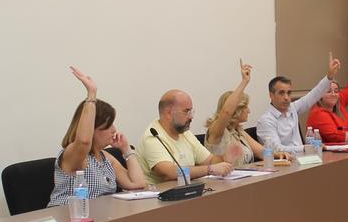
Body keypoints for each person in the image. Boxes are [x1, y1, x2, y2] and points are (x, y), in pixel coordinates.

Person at [48, 69, 146, 206]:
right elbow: (83, 141)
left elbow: (137, 184)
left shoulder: (105, 157)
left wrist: (126, 149)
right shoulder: (73, 154)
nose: (114, 130)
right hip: (70, 219)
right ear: (91, 129)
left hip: (99, 218)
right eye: (108, 125)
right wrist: (91, 94)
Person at [138, 90, 233, 185]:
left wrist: (225, 158)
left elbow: (210, 161)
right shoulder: (153, 137)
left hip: (184, 192)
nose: (191, 117)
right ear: (169, 113)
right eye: (186, 111)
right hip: (157, 196)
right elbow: (168, 173)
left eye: (191, 111)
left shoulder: (184, 132)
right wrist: (210, 170)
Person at [206, 60, 286, 165]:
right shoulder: (217, 131)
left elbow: (262, 152)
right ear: (236, 109)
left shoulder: (239, 131)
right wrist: (244, 81)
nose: (249, 111)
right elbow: (226, 112)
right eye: (246, 107)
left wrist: (278, 155)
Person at [257, 52, 340, 152]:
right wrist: (305, 148)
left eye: (289, 93)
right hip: (284, 164)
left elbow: (314, 94)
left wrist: (330, 76)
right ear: (271, 95)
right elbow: (276, 149)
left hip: (303, 159)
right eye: (281, 93)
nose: (286, 97)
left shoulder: (292, 108)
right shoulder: (266, 120)